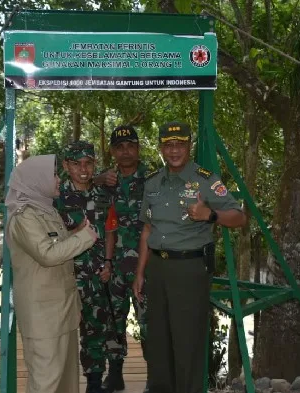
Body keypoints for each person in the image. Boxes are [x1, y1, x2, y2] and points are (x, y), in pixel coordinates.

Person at [132, 121, 246, 393]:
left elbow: (239, 217)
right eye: (168, 145)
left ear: (189, 145)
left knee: (187, 341)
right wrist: (139, 273)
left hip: (189, 268)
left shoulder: (206, 180)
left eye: (180, 144)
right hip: (157, 268)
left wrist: (211, 215)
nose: (174, 151)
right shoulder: (153, 183)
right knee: (158, 339)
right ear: (161, 148)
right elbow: (148, 229)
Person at [5, 154, 98, 393]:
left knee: (67, 382)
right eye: (54, 175)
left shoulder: (46, 210)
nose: (59, 179)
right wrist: (84, 238)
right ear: (37, 180)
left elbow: (63, 260)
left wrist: (75, 304)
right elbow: (48, 255)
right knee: (46, 383)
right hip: (43, 318)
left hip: (62, 311)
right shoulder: (24, 217)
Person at [55, 141, 119, 393]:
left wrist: (108, 262)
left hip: (95, 274)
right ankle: (58, 383)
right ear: (66, 165)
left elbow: (111, 231)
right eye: (76, 163)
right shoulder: (55, 197)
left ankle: (93, 384)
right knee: (62, 331)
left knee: (95, 330)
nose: (83, 169)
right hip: (65, 274)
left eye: (88, 163)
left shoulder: (104, 196)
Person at [94, 125, 151, 393]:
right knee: (113, 319)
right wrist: (97, 179)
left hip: (146, 264)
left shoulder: (154, 178)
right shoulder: (106, 179)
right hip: (113, 264)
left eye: (130, 145)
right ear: (113, 151)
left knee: (149, 320)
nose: (125, 151)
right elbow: (70, 183)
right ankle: (115, 374)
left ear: (138, 148)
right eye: (120, 147)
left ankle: (154, 377)